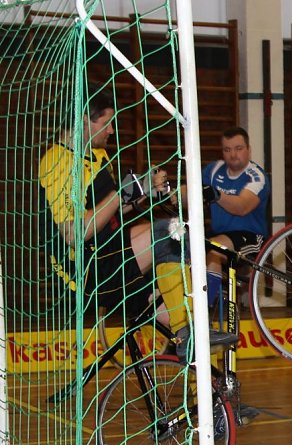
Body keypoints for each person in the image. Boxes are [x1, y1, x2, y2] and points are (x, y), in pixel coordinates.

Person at [39, 88, 237, 363]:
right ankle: (187, 330)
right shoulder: (57, 162)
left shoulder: (97, 155)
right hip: (84, 272)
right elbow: (75, 233)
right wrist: (120, 194)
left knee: (180, 306)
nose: (112, 131)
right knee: (169, 233)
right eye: (107, 123)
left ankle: (207, 375)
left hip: (109, 253)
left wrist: (144, 191)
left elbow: (109, 211)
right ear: (84, 120)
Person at [201, 126, 271, 308]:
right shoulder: (213, 170)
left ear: (249, 149)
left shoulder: (256, 176)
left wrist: (216, 194)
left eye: (238, 149)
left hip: (250, 236)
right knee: (183, 249)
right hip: (219, 233)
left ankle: (207, 307)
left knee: (214, 249)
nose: (233, 155)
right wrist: (170, 191)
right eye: (227, 150)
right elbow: (191, 193)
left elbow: (241, 206)